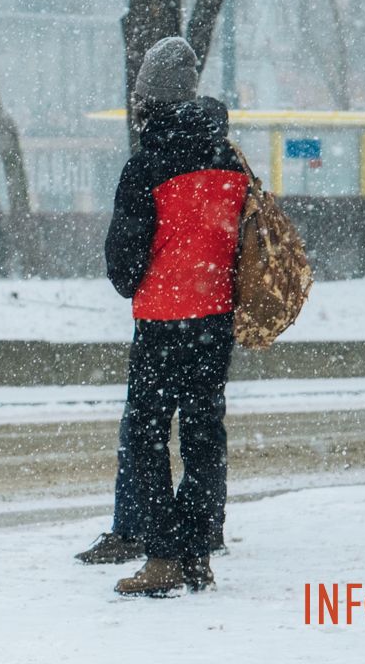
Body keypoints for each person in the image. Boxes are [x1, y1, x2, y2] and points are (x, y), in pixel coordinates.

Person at [76, 36, 249, 597]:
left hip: (162, 321)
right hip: (215, 318)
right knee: (204, 434)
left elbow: (123, 267)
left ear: (148, 100)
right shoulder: (230, 160)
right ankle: (198, 554)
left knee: (148, 436)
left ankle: (163, 557)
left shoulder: (145, 167)